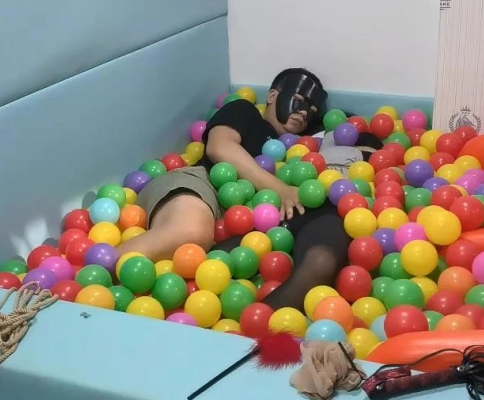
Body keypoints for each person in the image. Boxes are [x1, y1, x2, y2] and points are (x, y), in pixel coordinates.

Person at [121, 68, 382, 310]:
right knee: (193, 232)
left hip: (245, 218)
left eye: (311, 111)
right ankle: (107, 266)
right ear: (273, 96)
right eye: (299, 101)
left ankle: (263, 320)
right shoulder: (244, 110)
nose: (304, 113)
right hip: (202, 183)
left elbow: (359, 141)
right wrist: (280, 189)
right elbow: (220, 147)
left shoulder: (299, 148)